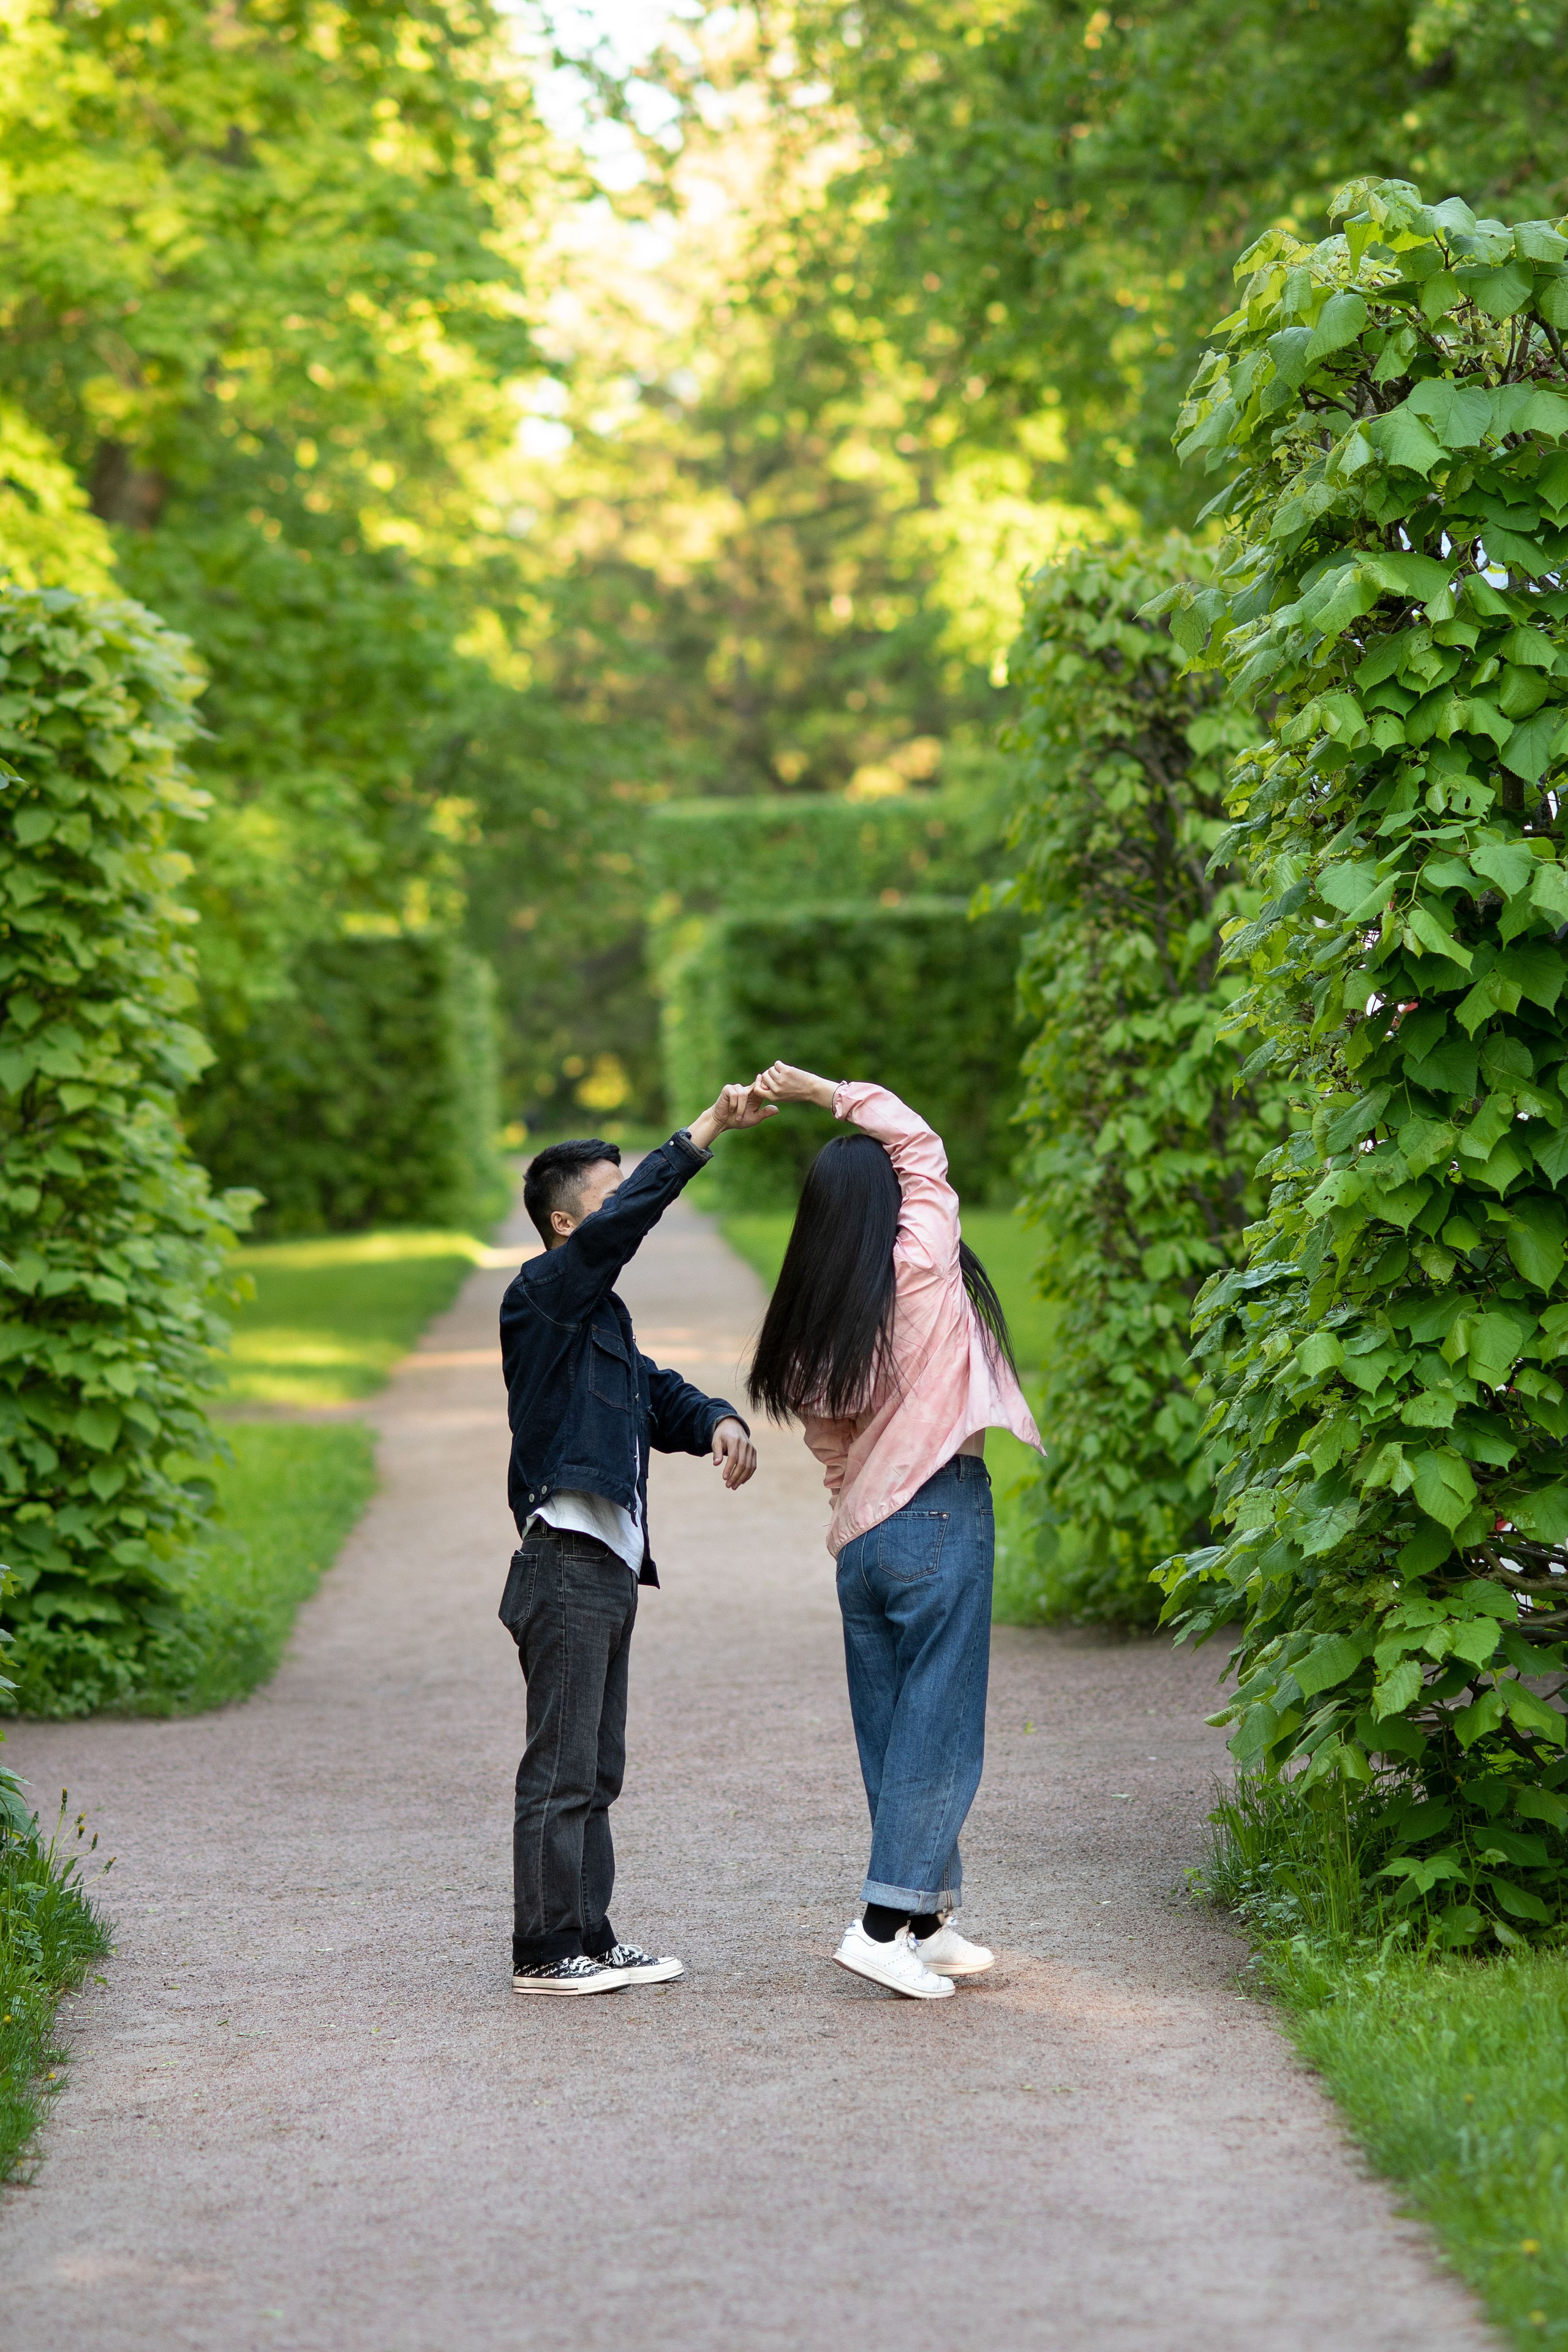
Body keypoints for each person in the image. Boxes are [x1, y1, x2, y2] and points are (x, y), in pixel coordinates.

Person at [747, 1063, 1042, 2000]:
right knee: (939, 1733)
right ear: (890, 1210)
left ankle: (924, 1919)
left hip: (865, 1541)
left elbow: (833, 1451)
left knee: (895, 1735)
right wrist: (824, 1091)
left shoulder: (814, 1322)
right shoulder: (920, 1267)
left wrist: (860, 1510)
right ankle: (879, 1928)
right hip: (940, 1513)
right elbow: (921, 1145)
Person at [499, 1084, 775, 1996]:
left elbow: (658, 1393)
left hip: (607, 1567)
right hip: (563, 1562)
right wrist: (706, 1131)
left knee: (596, 1769)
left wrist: (718, 1419)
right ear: (566, 1223)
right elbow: (625, 1228)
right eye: (609, 1198)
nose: (624, 1209)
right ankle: (545, 1950)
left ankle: (589, 1933)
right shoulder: (542, 1296)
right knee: (561, 1767)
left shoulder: (600, 1318)